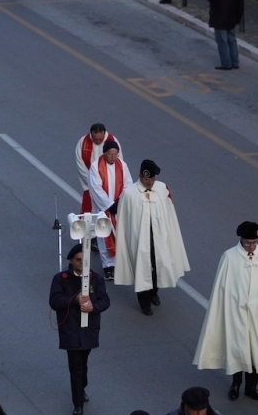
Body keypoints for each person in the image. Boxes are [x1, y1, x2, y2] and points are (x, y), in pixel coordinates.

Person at [193, 221, 258, 401]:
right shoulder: (229, 257)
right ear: (240, 240)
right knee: (237, 349)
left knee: (255, 350)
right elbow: (222, 287)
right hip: (236, 313)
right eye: (247, 243)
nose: (251, 247)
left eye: (254, 243)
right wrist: (236, 301)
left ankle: (252, 387)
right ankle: (235, 385)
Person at [114, 159, 189, 316]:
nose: (149, 182)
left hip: (159, 237)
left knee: (159, 265)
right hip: (139, 239)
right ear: (139, 176)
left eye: (152, 179)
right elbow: (123, 219)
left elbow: (169, 214)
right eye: (146, 179)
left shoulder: (162, 189)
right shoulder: (129, 194)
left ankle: (154, 291)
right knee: (142, 268)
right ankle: (144, 302)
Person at [49, 244, 111, 415]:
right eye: (78, 260)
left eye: (85, 260)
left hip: (89, 329)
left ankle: (82, 387)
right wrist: (74, 300)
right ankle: (78, 404)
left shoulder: (95, 278)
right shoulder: (61, 278)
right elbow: (54, 301)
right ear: (71, 260)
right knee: (75, 367)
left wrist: (93, 307)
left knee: (83, 364)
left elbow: (105, 301)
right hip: (70, 329)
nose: (82, 263)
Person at [88, 139, 132, 281]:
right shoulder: (96, 167)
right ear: (105, 153)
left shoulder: (122, 165)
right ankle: (108, 266)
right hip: (103, 209)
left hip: (119, 207)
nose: (114, 157)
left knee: (120, 235)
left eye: (116, 154)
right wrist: (109, 205)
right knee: (104, 236)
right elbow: (96, 188)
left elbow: (128, 184)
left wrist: (120, 202)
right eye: (111, 154)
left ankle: (119, 264)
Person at [75, 123, 123, 214]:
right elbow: (81, 165)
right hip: (90, 186)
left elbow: (119, 164)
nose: (97, 142)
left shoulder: (113, 141)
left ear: (104, 134)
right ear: (91, 134)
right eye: (95, 139)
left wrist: (107, 183)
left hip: (110, 186)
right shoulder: (83, 142)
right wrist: (93, 182)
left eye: (100, 139)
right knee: (89, 215)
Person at [206, 0, 243, 70]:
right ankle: (235, 62)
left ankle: (226, 63)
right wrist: (237, 19)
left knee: (222, 42)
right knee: (232, 41)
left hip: (220, 20)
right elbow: (240, 8)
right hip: (232, 20)